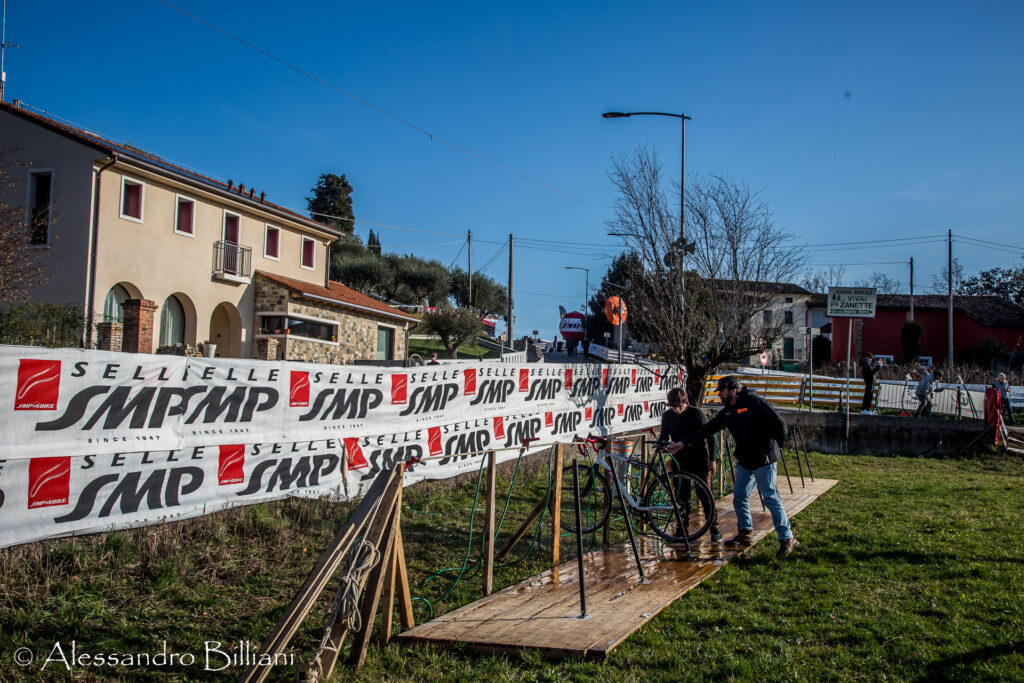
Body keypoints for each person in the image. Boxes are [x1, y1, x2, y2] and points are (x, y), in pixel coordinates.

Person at [680, 375, 798, 557]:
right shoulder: (727, 412)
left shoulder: (753, 402)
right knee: (740, 496)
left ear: (732, 390)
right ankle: (745, 533)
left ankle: (786, 537)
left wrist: (778, 446)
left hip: (763, 459)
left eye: (722, 391)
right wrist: (683, 442)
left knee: (770, 497)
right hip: (745, 461)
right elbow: (707, 429)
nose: (720, 396)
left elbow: (779, 422)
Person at [660, 387, 722, 542]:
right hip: (679, 461)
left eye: (679, 407)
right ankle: (682, 529)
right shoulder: (668, 416)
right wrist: (662, 445)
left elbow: (710, 437)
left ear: (685, 402)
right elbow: (664, 435)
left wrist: (712, 459)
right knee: (681, 496)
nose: (677, 410)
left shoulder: (696, 414)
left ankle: (714, 528)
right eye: (673, 407)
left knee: (705, 494)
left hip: (698, 458)